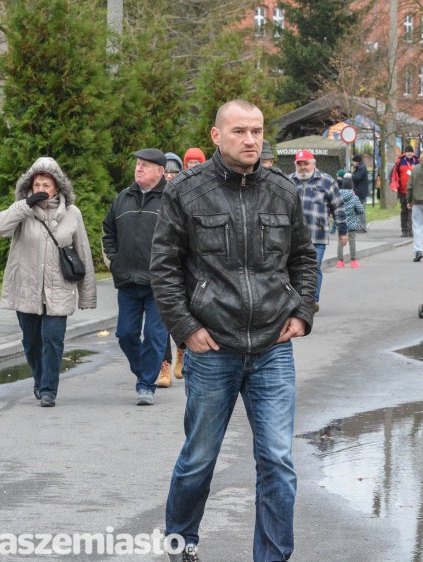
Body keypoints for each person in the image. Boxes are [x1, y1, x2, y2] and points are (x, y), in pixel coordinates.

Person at [150, 100, 318, 562]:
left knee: (278, 462)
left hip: (272, 349)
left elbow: (304, 258)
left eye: (257, 131)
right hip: (212, 348)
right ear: (216, 135)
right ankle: (180, 543)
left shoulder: (283, 191)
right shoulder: (185, 192)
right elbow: (163, 268)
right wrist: (185, 329)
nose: (250, 140)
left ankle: (273, 555)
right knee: (199, 460)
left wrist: (302, 312)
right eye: (240, 131)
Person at [0, 157, 96, 408]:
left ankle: (49, 389)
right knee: (30, 341)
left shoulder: (72, 214)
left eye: (46, 185)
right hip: (26, 290)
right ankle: (39, 379)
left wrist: (87, 296)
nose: (41, 189)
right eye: (37, 184)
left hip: (58, 289)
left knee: (52, 339)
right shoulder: (21, 210)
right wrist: (24, 205)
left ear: (57, 188)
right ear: (30, 186)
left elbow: (83, 253)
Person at [102, 148, 169, 406]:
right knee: (126, 334)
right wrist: (114, 260)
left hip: (159, 283)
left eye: (145, 165)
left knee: (154, 335)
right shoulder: (122, 199)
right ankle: (145, 372)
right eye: (138, 164)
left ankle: (145, 386)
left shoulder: (170, 199)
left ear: (160, 171)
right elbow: (108, 232)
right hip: (127, 281)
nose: (138, 169)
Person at [290, 149, 347, 311]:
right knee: (294, 269)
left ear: (313, 164)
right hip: (293, 236)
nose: (302, 167)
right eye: (299, 164)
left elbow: (338, 208)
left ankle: (310, 301)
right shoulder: (288, 182)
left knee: (313, 268)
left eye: (306, 163)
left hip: (317, 235)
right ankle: (296, 300)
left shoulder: (327, 182)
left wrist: (343, 232)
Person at [157, 152, 187, 388]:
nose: (169, 176)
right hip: (159, 267)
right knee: (159, 320)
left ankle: (182, 353)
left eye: (173, 172)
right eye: (165, 171)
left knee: (179, 314)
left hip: (184, 268)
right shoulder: (152, 197)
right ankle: (163, 364)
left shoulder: (186, 196)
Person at [336, 172, 364, 268]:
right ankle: (353, 261)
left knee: (340, 242)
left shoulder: (337, 196)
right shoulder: (354, 197)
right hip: (351, 223)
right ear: (352, 187)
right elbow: (361, 210)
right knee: (352, 242)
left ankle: (340, 261)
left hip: (341, 223)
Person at [392, 145, 419, 237]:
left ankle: (411, 230)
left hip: (415, 191)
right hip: (403, 191)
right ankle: (404, 230)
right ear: (405, 152)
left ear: (413, 152)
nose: (409, 153)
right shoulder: (400, 161)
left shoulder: (417, 161)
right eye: (407, 152)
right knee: (404, 210)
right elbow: (394, 175)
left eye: (411, 152)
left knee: (413, 211)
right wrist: (394, 186)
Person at [351, 154, 370, 231]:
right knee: (358, 209)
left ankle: (362, 227)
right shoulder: (360, 167)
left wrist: (350, 175)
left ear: (356, 161)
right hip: (359, 191)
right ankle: (359, 226)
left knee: (360, 209)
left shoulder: (361, 168)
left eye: (353, 161)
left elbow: (357, 177)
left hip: (360, 192)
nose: (352, 163)